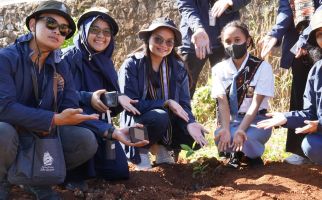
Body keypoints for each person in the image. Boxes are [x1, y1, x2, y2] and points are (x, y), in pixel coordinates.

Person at [0, 1, 100, 200]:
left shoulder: (59, 63)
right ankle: (3, 180)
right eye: (51, 24)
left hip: (40, 135)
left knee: (86, 140)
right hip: (12, 132)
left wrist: (111, 131)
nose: (58, 32)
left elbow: (70, 107)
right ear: (32, 25)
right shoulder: (6, 58)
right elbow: (4, 108)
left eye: (64, 30)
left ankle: (35, 180)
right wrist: (53, 119)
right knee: (2, 131)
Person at [62, 7, 148, 190]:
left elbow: (108, 105)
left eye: (106, 32)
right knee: (86, 142)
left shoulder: (106, 62)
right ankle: (68, 174)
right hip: (75, 124)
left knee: (118, 171)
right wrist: (89, 98)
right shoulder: (68, 58)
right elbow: (63, 97)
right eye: (95, 30)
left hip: (101, 124)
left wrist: (118, 99)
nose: (101, 36)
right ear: (84, 30)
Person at [119, 17, 208, 170]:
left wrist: (191, 122)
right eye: (158, 39)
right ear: (148, 39)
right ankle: (140, 150)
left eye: (169, 42)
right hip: (138, 121)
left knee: (192, 133)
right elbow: (131, 104)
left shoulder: (178, 67)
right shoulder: (132, 64)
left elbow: (184, 104)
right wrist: (165, 102)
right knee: (159, 116)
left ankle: (162, 147)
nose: (163, 45)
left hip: (164, 121)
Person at [259, 0, 322, 165]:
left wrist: (306, 36)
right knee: (303, 96)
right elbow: (286, 11)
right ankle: (300, 151)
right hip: (302, 47)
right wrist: (274, 34)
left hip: (311, 36)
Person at [212, 21, 274, 168]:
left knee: (248, 137)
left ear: (248, 40)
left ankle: (252, 156)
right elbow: (222, 103)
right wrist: (226, 128)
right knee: (221, 135)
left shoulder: (262, 67)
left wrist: (241, 129)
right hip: (232, 119)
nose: (233, 44)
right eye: (228, 41)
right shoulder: (219, 69)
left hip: (256, 119)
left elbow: (255, 104)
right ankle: (235, 154)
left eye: (237, 40)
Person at [176, 0, 251, 97]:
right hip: (195, 38)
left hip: (227, 39)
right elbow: (186, 4)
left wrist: (230, 1)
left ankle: (225, 112)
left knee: (229, 89)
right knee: (183, 88)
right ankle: (182, 112)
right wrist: (197, 27)